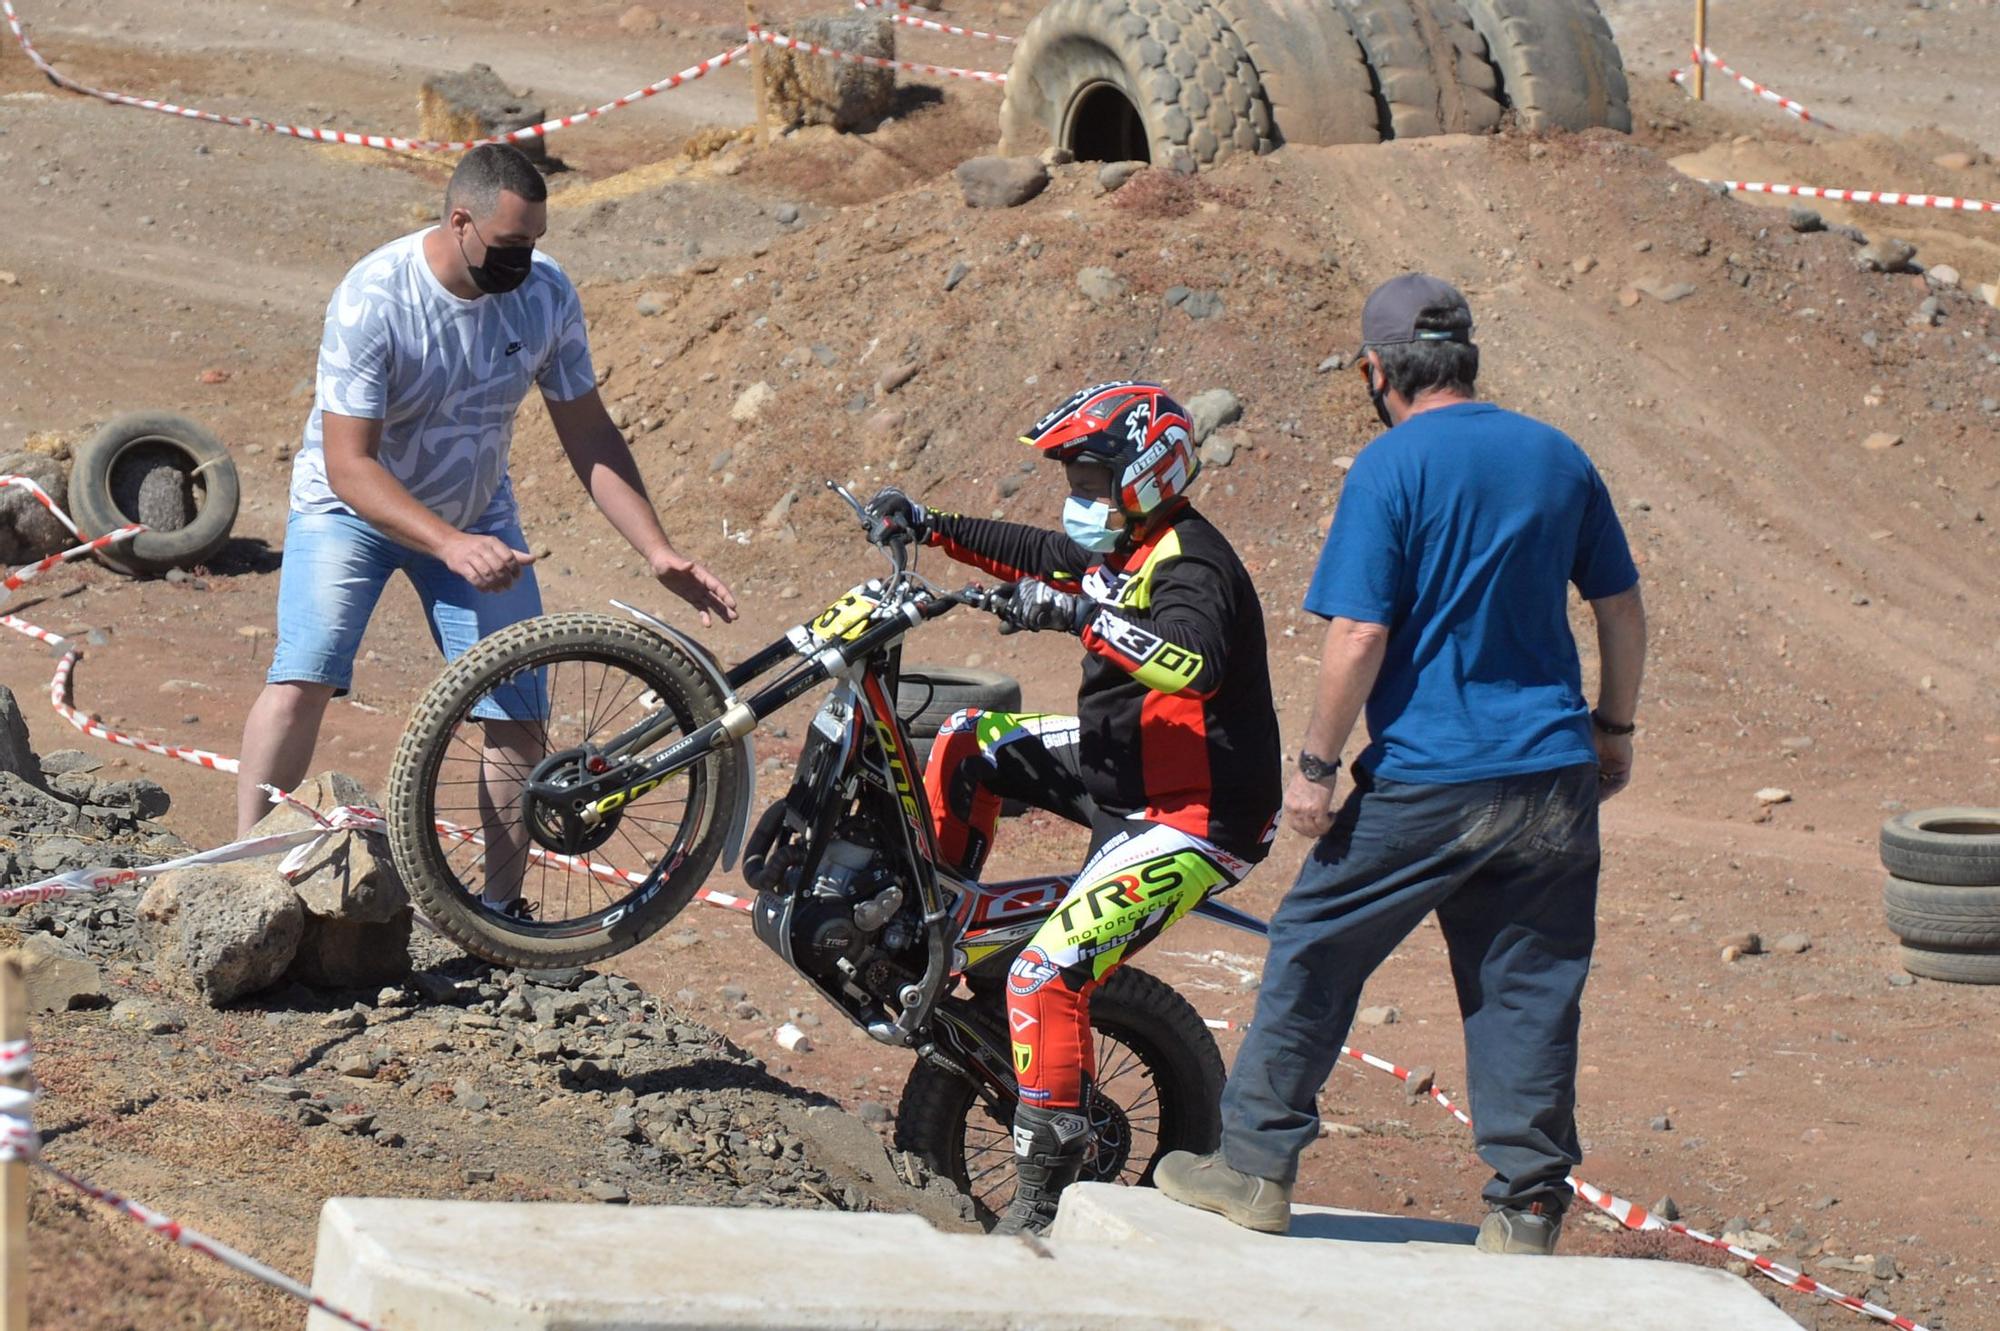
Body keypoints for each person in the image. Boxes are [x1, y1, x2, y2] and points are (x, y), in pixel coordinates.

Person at [1156, 274, 1648, 1254]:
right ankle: (1524, 1204)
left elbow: (1357, 634)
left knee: (1312, 942)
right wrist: (1613, 728)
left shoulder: (1390, 467)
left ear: (1377, 369)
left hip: (1430, 777)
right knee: (1528, 984)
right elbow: (1620, 607)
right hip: (1550, 775)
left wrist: (1313, 763)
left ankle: (1251, 1164)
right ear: (1465, 355)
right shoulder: (1557, 456)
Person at [236, 143, 738, 915]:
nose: (528, 260)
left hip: (477, 513)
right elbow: (349, 466)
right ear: (460, 221)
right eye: (512, 246)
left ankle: (504, 916)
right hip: (353, 513)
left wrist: (657, 548)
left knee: (518, 718)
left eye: (536, 242)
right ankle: (246, 878)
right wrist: (447, 544)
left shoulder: (544, 293)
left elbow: (588, 430)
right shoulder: (376, 297)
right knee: (301, 681)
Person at [866, 382, 1282, 1235]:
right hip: (1118, 765)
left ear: (1147, 475)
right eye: (1075, 480)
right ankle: (935, 929)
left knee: (1043, 974)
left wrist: (1080, 618)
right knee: (965, 740)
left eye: (1091, 481)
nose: (1078, 499)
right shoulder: (1123, 545)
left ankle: (1042, 1196)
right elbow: (1034, 551)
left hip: (1194, 814)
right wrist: (930, 522)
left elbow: (1193, 663)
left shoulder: (1192, 562)